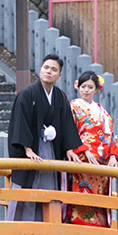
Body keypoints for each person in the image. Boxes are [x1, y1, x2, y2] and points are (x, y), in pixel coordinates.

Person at [7, 53, 84, 221]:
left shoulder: (60, 96)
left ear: (59, 75)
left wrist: (69, 149)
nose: (49, 72)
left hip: (51, 149)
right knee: (29, 189)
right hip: (33, 149)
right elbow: (20, 122)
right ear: (40, 69)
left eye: (54, 69)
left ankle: (49, 229)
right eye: (46, 67)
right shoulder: (27, 94)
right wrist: (27, 148)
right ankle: (23, 230)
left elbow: (66, 123)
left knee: (50, 188)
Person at [66, 70, 118, 227]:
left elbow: (110, 134)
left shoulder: (103, 112)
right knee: (82, 194)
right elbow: (70, 131)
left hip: (102, 160)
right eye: (83, 86)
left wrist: (112, 156)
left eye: (90, 87)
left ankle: (100, 231)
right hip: (82, 157)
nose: (86, 90)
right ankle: (82, 231)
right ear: (78, 87)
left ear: (97, 89)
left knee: (100, 196)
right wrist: (84, 150)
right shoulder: (74, 107)